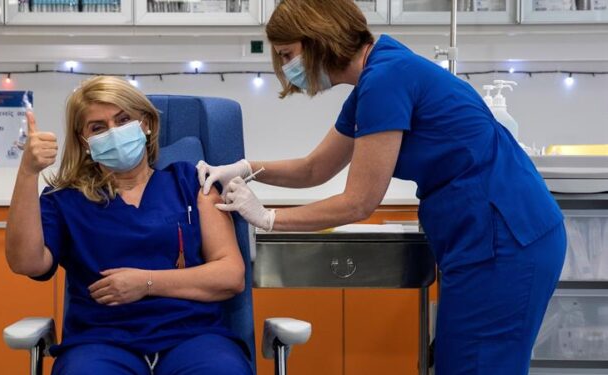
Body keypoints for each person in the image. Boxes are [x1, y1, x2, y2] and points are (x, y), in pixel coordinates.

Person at [197, 0, 566, 374]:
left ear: (319, 38)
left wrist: (268, 217)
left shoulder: (386, 78)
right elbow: (314, 168)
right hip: (491, 239)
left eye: (288, 54)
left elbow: (359, 203)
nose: (289, 69)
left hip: (505, 240)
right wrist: (244, 168)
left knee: (476, 366)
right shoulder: (376, 76)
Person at [5, 76, 252, 375]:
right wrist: (28, 173)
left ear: (146, 123)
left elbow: (231, 275)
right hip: (100, 342)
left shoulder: (191, 182)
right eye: (98, 127)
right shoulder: (65, 200)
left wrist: (146, 282)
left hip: (193, 337)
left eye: (123, 120)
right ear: (84, 142)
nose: (114, 132)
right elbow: (26, 263)